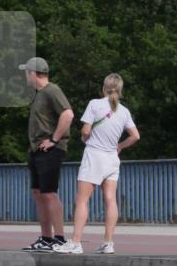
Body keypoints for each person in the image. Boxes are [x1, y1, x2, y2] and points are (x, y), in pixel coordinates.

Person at [54, 74, 140, 255]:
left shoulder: (95, 104)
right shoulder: (124, 111)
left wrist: (85, 138)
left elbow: (86, 130)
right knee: (110, 200)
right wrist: (120, 146)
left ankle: (76, 242)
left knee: (82, 200)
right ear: (120, 89)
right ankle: (108, 243)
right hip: (112, 158)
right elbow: (135, 136)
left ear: (104, 88)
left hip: (94, 156)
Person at [19, 57, 74, 252]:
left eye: (27, 72)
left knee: (49, 193)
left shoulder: (52, 90)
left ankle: (59, 238)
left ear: (34, 73)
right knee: (38, 193)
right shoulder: (39, 94)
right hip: (36, 149)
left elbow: (68, 114)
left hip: (50, 149)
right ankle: (46, 238)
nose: (25, 75)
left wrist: (54, 139)